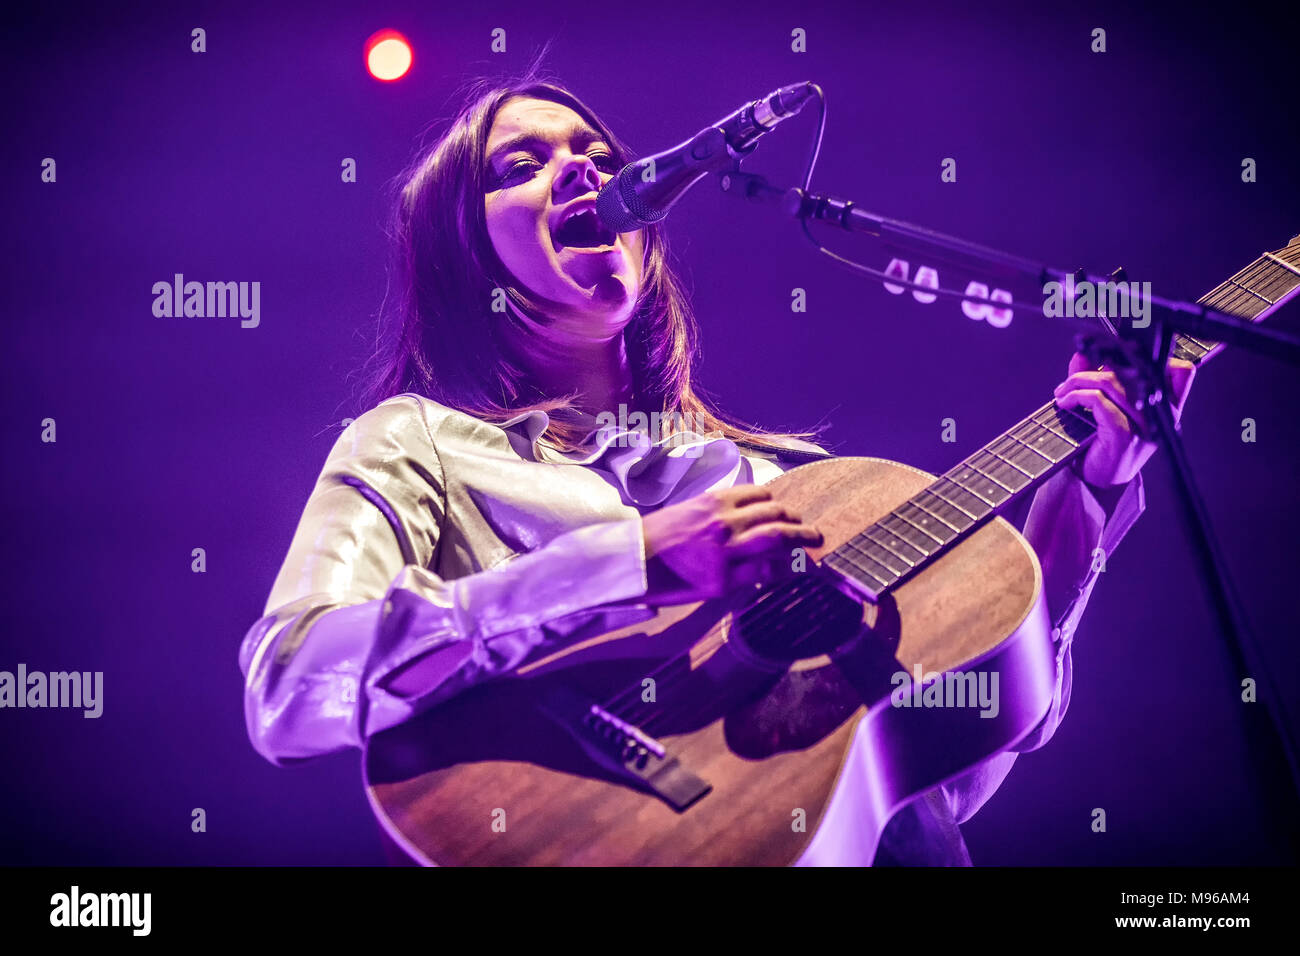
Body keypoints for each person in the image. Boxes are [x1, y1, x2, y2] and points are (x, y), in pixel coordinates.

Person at [237, 69, 1195, 865]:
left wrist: (1091, 494)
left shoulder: (795, 481)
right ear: (464, 247)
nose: (581, 168)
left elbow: (929, 788)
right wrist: (632, 563)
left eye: (600, 158)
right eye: (522, 165)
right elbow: (287, 684)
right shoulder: (417, 441)